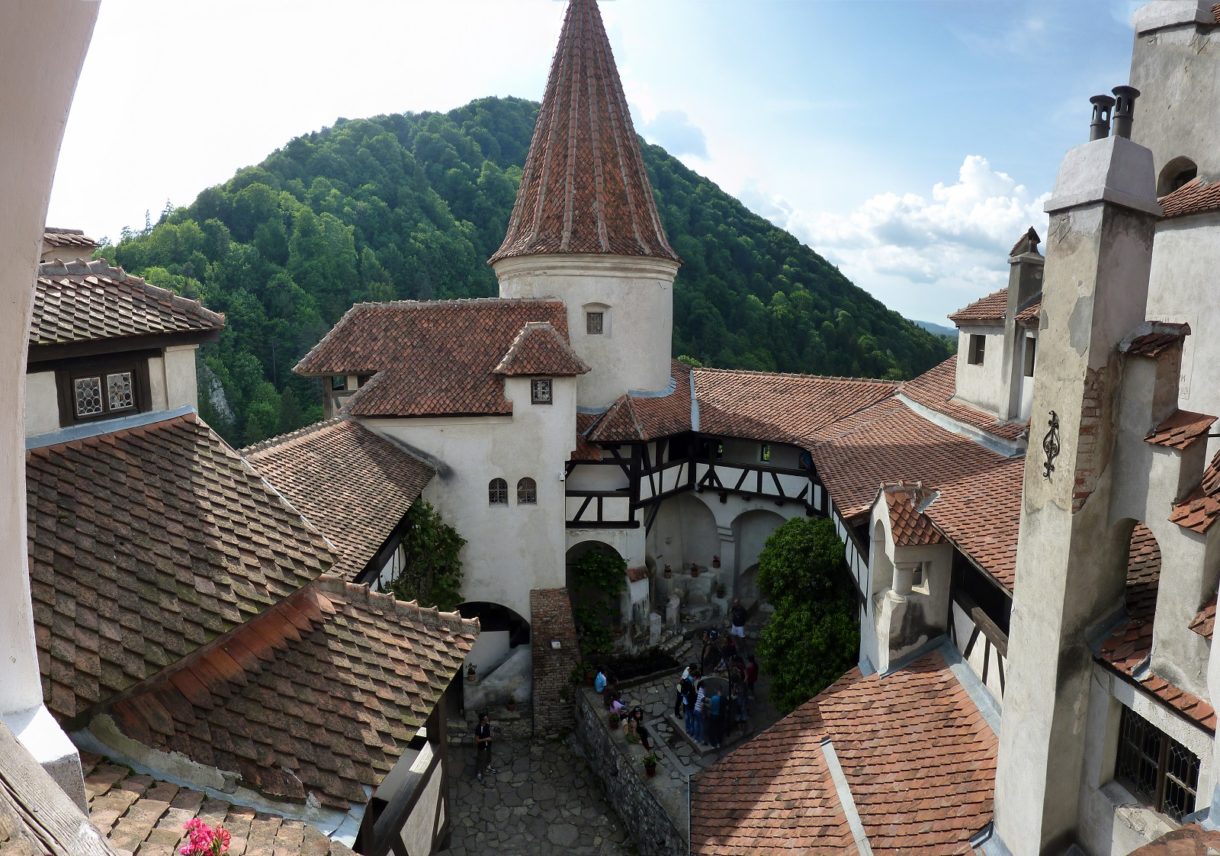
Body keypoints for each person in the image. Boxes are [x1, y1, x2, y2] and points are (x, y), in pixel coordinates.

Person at [475, 713, 496, 783]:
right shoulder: (478, 728)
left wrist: (491, 734)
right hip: (482, 746)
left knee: (488, 756)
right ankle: (479, 773)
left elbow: (489, 733)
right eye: (485, 719)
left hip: (488, 745)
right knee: (481, 760)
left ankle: (488, 767)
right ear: (482, 720)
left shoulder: (487, 725)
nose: (487, 720)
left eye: (487, 718)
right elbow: (477, 740)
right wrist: (486, 739)